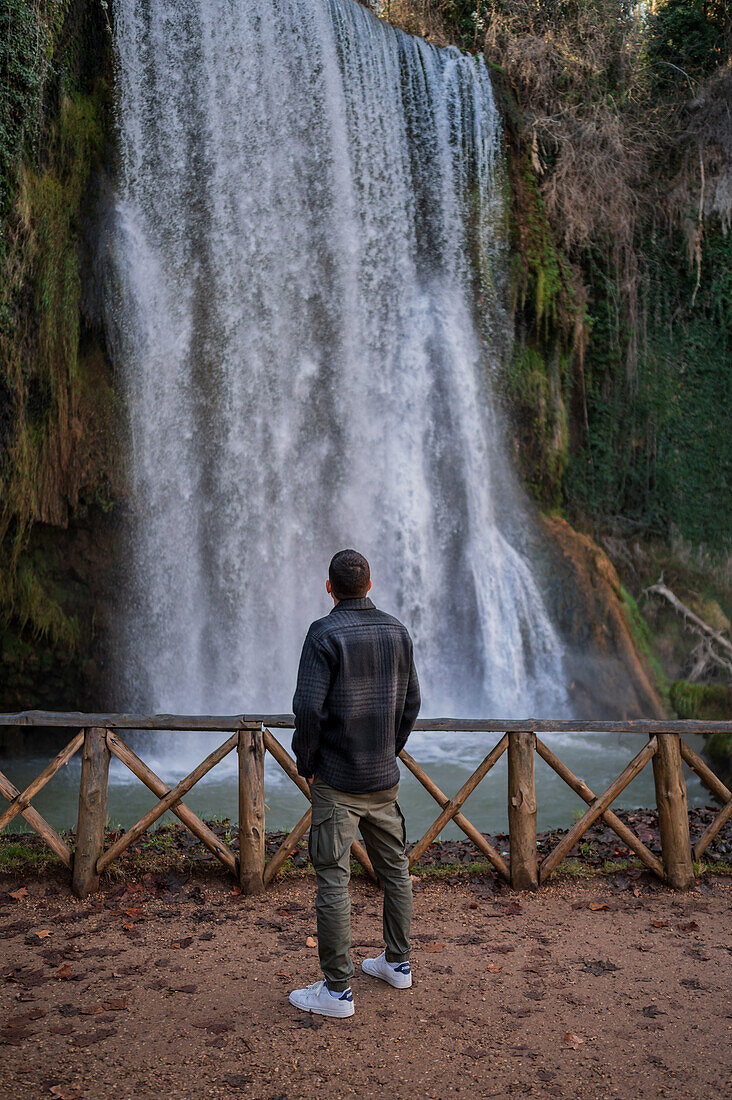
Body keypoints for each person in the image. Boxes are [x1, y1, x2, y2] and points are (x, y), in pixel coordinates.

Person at [288, 549, 421, 1019]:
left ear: (329, 586)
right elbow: (411, 703)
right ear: (370, 584)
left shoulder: (323, 633)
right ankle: (398, 963)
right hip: (383, 778)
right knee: (396, 870)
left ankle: (337, 991)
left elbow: (307, 707)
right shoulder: (396, 631)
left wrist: (309, 763)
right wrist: (389, 748)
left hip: (338, 781)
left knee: (333, 878)